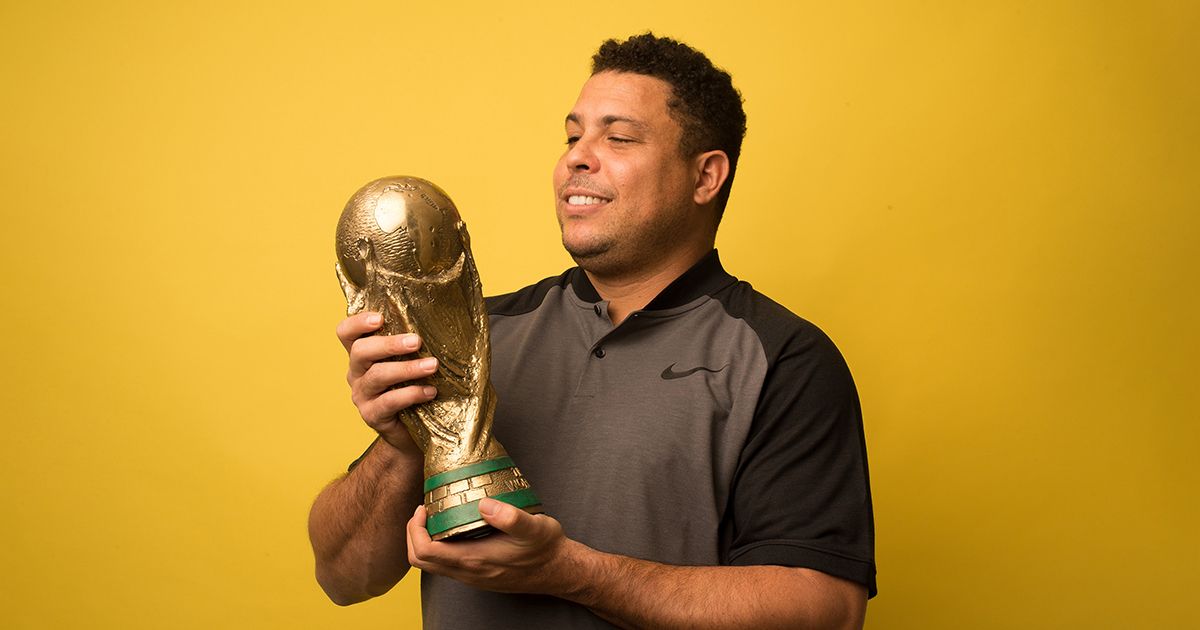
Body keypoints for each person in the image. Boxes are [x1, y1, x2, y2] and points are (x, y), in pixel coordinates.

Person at [308, 33, 876, 629]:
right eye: (573, 135)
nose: (578, 157)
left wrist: (568, 570)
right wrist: (404, 447)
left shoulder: (783, 358)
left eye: (619, 136)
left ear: (706, 176)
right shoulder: (482, 331)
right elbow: (342, 577)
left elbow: (825, 613)